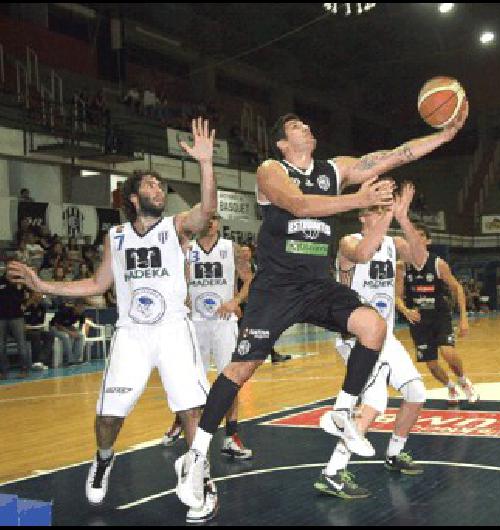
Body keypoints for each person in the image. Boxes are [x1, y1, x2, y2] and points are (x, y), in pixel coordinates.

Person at [175, 105, 468, 512]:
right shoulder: (270, 170)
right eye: (296, 126)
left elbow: (396, 154)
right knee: (240, 369)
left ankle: (343, 412)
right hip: (276, 287)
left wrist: (445, 135)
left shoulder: (334, 169)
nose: (306, 127)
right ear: (282, 142)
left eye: (306, 123)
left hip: (316, 285)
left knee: (373, 327)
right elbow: (298, 206)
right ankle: (195, 454)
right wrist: (359, 199)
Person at [8, 118, 218, 522]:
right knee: (107, 418)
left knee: (192, 410)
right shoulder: (117, 237)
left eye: (161, 185)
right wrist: (42, 284)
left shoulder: (176, 228)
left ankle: (200, 479)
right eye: (152, 185)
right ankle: (104, 459)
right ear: (134, 198)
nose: (159, 189)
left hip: (174, 329)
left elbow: (205, 211)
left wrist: (206, 164)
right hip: (132, 335)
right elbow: (97, 282)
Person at [317, 182, 428, 499]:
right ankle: (333, 472)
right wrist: (389, 213)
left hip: (386, 335)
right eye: (378, 209)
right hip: (358, 337)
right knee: (375, 402)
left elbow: (420, 258)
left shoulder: (393, 244)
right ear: (363, 216)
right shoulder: (349, 243)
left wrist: (404, 218)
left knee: (416, 392)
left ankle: (394, 452)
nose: (384, 213)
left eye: (385, 208)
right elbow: (365, 252)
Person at [161, 213, 255, 462]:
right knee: (189, 381)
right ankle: (180, 422)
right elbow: (173, 281)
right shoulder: (186, 250)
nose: (210, 224)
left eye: (214, 220)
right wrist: (182, 298)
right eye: (207, 220)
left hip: (224, 323)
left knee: (230, 379)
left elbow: (250, 281)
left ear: (219, 224)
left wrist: (235, 300)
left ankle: (231, 436)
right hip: (195, 323)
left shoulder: (231, 249)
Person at [396, 224, 478, 406]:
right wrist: (405, 311)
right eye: (412, 236)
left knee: (447, 353)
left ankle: (464, 381)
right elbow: (397, 296)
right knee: (432, 364)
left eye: (420, 236)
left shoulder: (438, 263)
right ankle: (450, 386)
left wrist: (464, 318)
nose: (415, 240)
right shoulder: (402, 267)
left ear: (428, 240)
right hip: (418, 321)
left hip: (439, 316)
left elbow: (457, 288)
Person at [1, 262, 32, 379]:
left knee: (21, 344)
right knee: (0, 346)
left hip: (17, 317)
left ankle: (24, 369)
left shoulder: (21, 281)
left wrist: (26, 304)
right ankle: (3, 371)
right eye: (9, 269)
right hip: (1, 318)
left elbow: (36, 294)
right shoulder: (1, 280)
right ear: (6, 269)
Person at [49, 298, 88, 365]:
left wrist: (77, 332)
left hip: (67, 327)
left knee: (80, 335)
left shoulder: (82, 314)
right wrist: (70, 332)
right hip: (54, 327)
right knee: (66, 336)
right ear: (75, 306)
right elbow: (57, 325)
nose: (82, 309)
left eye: (83, 307)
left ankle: (76, 359)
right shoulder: (65, 311)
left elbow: (81, 326)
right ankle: (69, 360)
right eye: (81, 307)